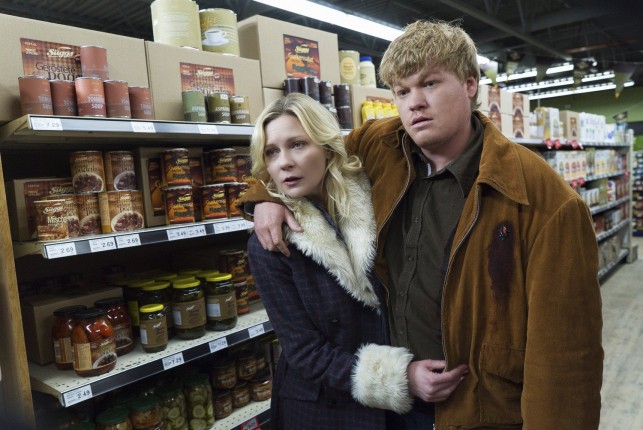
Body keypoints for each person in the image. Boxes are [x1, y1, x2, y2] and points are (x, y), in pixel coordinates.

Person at [240, 20, 604, 429]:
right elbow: (300, 157)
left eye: (429, 83)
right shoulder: (381, 146)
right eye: (402, 91)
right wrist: (265, 196)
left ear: (470, 84)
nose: (415, 103)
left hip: (480, 409)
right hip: (398, 406)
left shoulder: (545, 200)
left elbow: (566, 357)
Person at [245, 92, 430, 429]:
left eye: (298, 144)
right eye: (272, 152)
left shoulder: (375, 198)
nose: (284, 162)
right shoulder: (270, 242)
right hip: (325, 407)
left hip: (399, 404)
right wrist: (399, 377)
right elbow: (304, 352)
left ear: (328, 148)